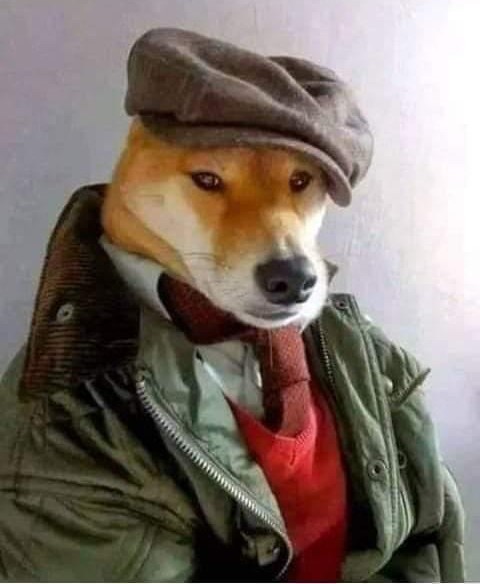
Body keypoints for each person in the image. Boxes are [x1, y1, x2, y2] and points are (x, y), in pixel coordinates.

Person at [0, 28, 465, 582]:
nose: (279, 247)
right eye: (210, 180)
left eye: (300, 181)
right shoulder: (72, 417)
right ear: (135, 157)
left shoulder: (358, 347)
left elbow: (425, 537)